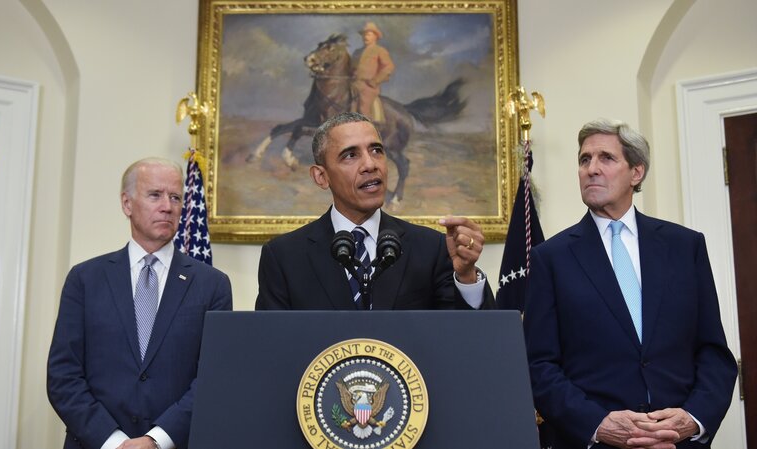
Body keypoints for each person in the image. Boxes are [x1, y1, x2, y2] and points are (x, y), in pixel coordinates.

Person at [524, 119, 737, 448]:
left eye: (606, 158)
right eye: (584, 159)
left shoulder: (685, 246)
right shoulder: (551, 258)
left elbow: (713, 352)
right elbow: (539, 366)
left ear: (636, 173)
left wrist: (692, 419)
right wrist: (598, 424)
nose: (591, 169)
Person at [47, 158, 233, 449]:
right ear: (127, 204)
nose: (167, 206)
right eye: (155, 195)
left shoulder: (212, 285)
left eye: (175, 197)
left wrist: (156, 440)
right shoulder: (85, 279)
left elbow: (213, 377)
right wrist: (114, 442)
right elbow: (63, 376)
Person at [255, 111, 494, 310]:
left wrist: (466, 277)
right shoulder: (284, 258)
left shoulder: (432, 248)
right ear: (321, 177)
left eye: (377, 150)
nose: (370, 164)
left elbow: (468, 341)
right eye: (350, 155)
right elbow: (272, 350)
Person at [351, 22, 395, 122]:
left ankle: (367, 131)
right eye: (364, 34)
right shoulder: (357, 52)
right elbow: (351, 69)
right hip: (353, 85)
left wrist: (375, 81)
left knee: (363, 108)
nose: (365, 36)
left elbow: (389, 67)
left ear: (375, 36)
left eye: (369, 34)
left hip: (368, 87)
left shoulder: (379, 50)